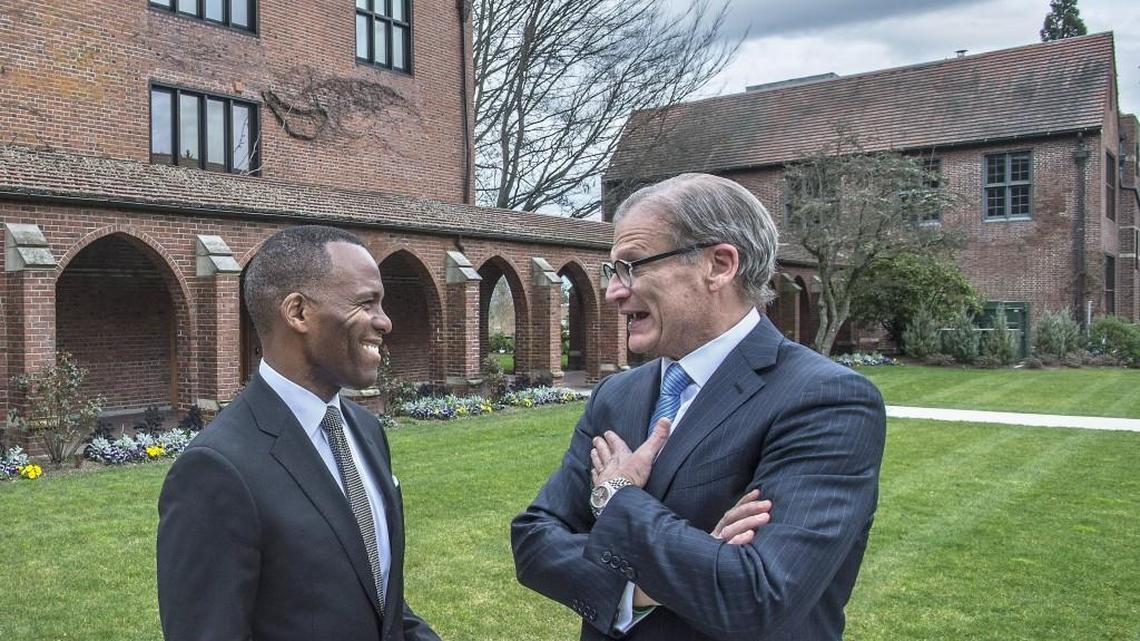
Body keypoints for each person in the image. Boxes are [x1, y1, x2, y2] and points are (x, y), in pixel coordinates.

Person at [510, 173, 886, 640]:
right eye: (613, 271)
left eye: (632, 266)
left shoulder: (826, 400)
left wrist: (617, 496)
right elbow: (534, 540)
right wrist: (647, 586)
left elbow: (757, 595)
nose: (613, 292)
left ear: (719, 265)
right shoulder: (617, 395)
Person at [157, 225, 440, 641]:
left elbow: (381, 602)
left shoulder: (366, 430)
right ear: (298, 313)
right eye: (366, 303)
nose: (385, 322)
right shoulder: (216, 471)